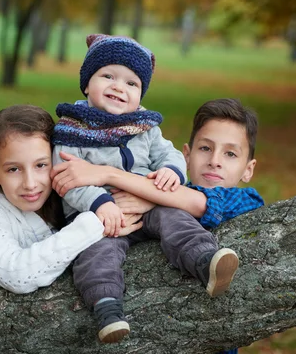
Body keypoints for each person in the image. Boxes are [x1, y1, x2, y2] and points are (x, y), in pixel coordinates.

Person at [52, 34, 244, 344]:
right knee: (96, 253)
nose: (118, 86)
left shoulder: (146, 128)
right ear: (87, 84)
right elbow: (67, 182)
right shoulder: (71, 129)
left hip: (148, 203)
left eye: (131, 83)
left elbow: (168, 154)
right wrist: (101, 203)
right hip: (97, 216)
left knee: (176, 217)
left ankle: (205, 260)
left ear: (140, 95)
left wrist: (170, 171)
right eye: (108, 76)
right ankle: (107, 309)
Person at [0, 105, 143, 296]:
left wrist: (147, 198)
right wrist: (97, 224)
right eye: (13, 169)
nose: (30, 183)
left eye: (41, 165)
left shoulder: (73, 194)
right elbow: (16, 275)